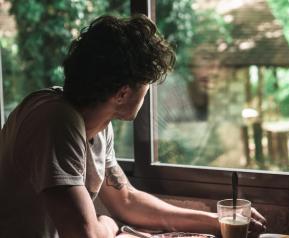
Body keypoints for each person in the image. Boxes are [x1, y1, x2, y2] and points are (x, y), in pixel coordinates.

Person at [0, 14, 267, 238]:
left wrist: (217, 221)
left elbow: (126, 200)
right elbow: (86, 234)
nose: (148, 92)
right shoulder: (56, 120)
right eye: (146, 84)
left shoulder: (98, 125)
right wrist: (108, 224)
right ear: (123, 93)